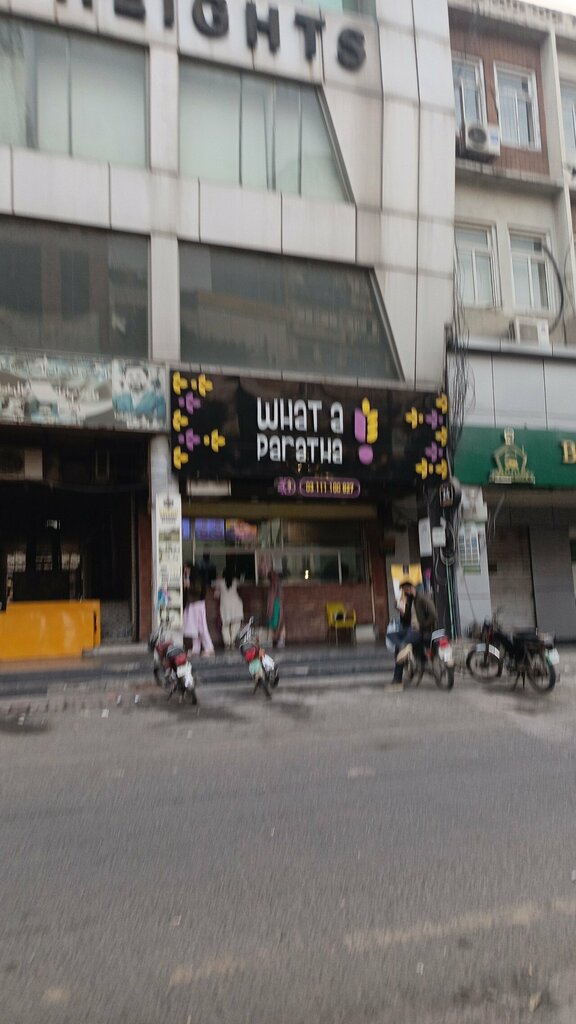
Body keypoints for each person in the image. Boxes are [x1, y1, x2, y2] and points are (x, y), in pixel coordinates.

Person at [390, 579, 437, 685]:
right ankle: (422, 662)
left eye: (407, 589)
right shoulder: (410, 600)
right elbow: (407, 618)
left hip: (422, 631)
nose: (406, 591)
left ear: (411, 588)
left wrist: (422, 626)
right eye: (404, 590)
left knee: (401, 646)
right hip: (414, 630)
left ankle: (397, 678)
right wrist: (401, 611)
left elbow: (433, 615)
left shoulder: (422, 598)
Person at [183, 566, 214, 657]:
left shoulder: (196, 580)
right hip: (192, 604)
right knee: (194, 628)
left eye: (187, 569)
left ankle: (209, 648)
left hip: (197, 604)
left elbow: (197, 590)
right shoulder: (189, 579)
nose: (185, 571)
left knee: (201, 627)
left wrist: (188, 585)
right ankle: (196, 649)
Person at [214, 568, 244, 649]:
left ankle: (227, 642)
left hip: (225, 604)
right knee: (236, 622)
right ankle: (232, 640)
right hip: (236, 603)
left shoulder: (219, 582)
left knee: (225, 623)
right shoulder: (235, 581)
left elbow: (216, 595)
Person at [266, 570, 285, 648]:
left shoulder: (273, 585)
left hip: (275, 605)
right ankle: (279, 640)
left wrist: (270, 608)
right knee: (278, 623)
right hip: (277, 605)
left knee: (275, 623)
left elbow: (271, 598)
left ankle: (274, 640)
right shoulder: (277, 584)